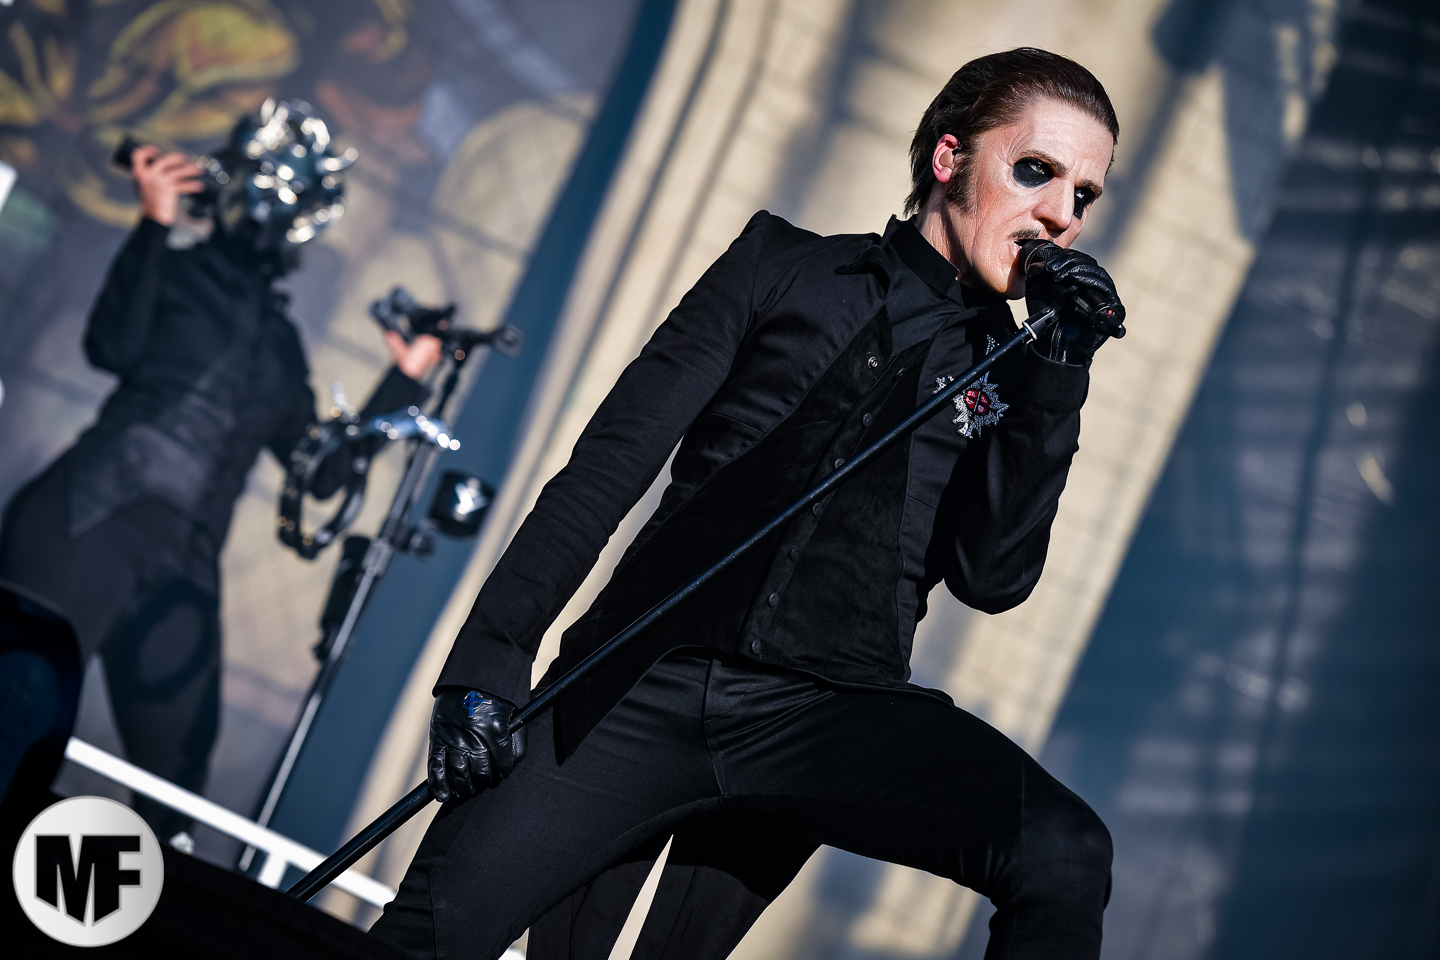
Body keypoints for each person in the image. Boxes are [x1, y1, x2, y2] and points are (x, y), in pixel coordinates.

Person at [371, 48, 1124, 960]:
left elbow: (993, 579)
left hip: (829, 720)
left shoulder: (1017, 375)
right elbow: (606, 469)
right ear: (948, 157)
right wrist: (489, 656)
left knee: (1067, 850)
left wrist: (1059, 370)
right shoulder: (780, 265)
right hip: (640, 681)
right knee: (427, 937)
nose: (1060, 213)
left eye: (1084, 195)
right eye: (1036, 170)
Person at [0, 101, 441, 846]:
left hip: (182, 567)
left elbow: (321, 475)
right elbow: (111, 346)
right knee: (18, 721)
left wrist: (404, 379)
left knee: (173, 797)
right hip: (85, 521)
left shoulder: (281, 345)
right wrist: (154, 222)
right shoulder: (174, 270)